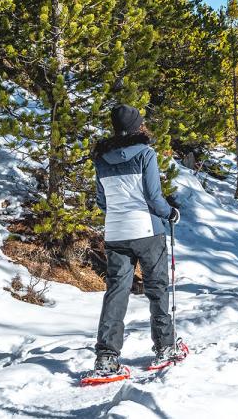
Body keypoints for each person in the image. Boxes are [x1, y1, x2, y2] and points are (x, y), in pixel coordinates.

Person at [90, 104, 183, 375]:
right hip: (146, 231)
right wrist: (171, 214)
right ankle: (165, 345)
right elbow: (154, 198)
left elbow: (101, 200)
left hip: (116, 232)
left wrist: (119, 215)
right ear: (137, 126)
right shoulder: (146, 153)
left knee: (116, 291)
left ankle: (106, 357)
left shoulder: (101, 158)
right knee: (157, 287)